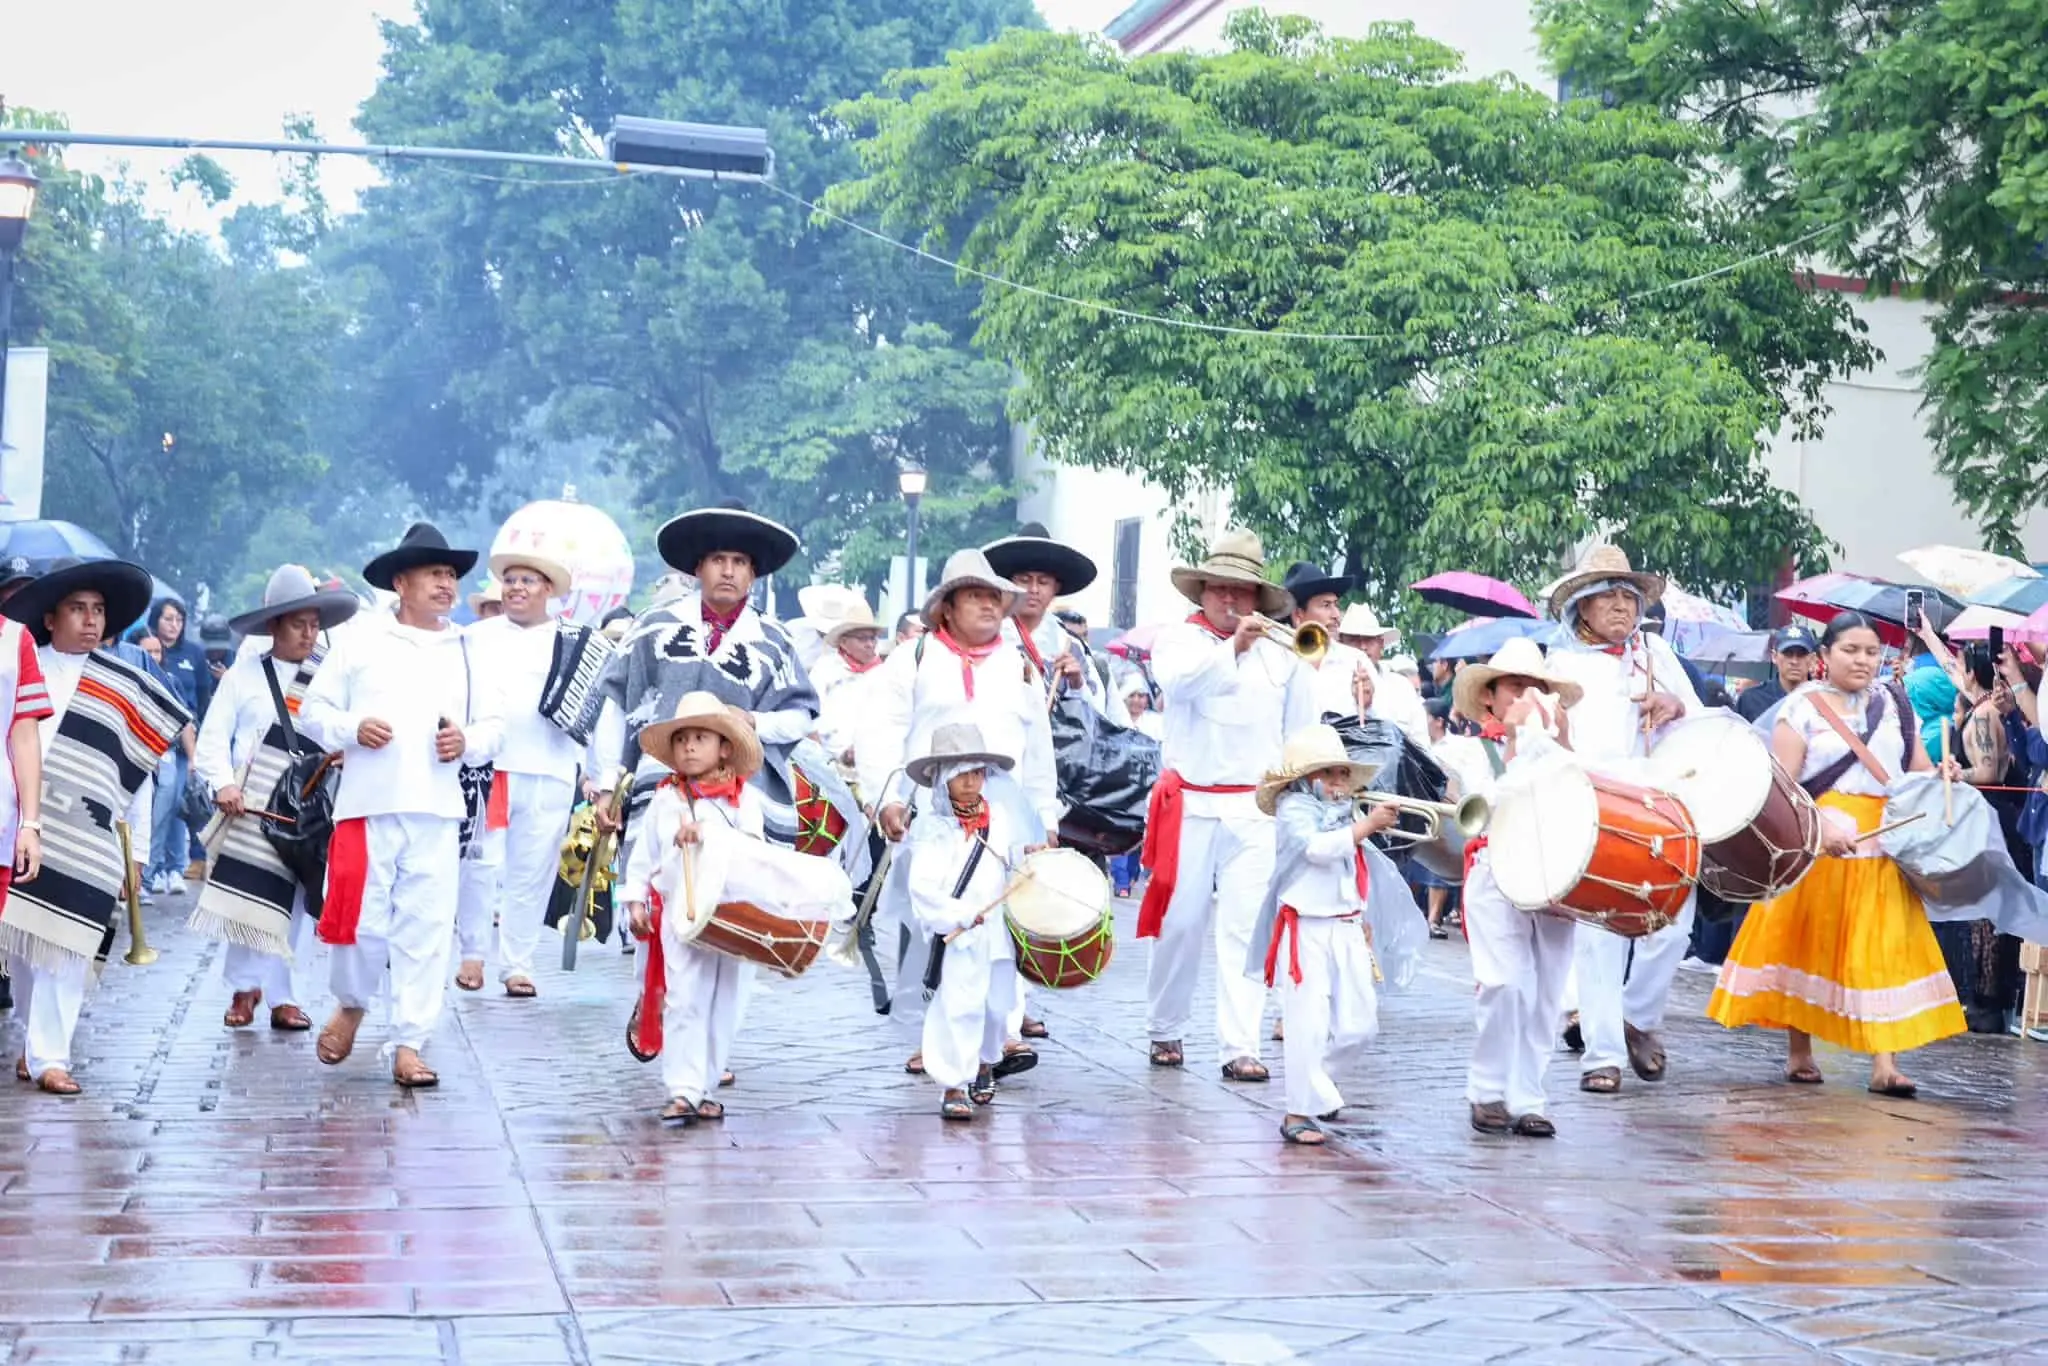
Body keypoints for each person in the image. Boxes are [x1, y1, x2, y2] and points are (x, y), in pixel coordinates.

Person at [1707, 611, 1967, 1093]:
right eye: (1851, 650)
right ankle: (1800, 1052)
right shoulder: (1801, 708)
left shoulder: (1895, 704)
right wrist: (1819, 828)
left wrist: (1942, 774)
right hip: (1817, 843)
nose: (1863, 660)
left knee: (1883, 948)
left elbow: (1916, 769)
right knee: (1807, 942)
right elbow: (1782, 785)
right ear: (1824, 656)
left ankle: (1885, 1063)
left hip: (1884, 842)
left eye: (1871, 651)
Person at [299, 523, 505, 1089]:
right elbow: (311, 711)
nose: (446, 585)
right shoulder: (359, 641)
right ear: (401, 582)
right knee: (358, 923)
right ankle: (353, 1001)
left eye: (451, 575)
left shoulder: (467, 649)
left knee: (425, 929)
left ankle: (410, 1041)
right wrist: (351, 728)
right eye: (434, 573)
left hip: (438, 809)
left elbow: (494, 726)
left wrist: (467, 741)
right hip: (367, 807)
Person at [857, 548, 1058, 1077]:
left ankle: (1003, 1034)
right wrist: (890, 798)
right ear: (946, 608)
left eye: (995, 596)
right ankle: (938, 1035)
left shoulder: (1019, 664)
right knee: (931, 920)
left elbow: (1039, 747)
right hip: (931, 805)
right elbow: (881, 728)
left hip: (1007, 810)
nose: (989, 606)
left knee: (1003, 917)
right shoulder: (913, 658)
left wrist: (1046, 817)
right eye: (976, 596)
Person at [2, 557, 187, 1095]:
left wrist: (141, 855)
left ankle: (51, 1057)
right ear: (51, 617)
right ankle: (34, 1043)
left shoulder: (128, 686)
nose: (90, 620)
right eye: (77, 609)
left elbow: (141, 778)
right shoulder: (20, 665)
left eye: (99, 610)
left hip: (91, 839)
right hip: (24, 827)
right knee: (25, 952)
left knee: (70, 948)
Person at [1140, 529, 1314, 1079]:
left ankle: (1241, 1046)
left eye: (1242, 591)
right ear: (1203, 592)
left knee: (1246, 928)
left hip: (1255, 807)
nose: (1231, 600)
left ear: (1259, 598)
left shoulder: (1285, 656)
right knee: (1181, 921)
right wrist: (1231, 649)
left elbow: (1301, 734)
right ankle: (1165, 1027)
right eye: (1220, 589)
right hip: (1189, 801)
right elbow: (1181, 686)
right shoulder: (1179, 641)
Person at [1544, 545, 1702, 1096]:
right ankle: (1602, 1055)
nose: (1619, 606)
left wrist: (1673, 704)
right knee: (1598, 935)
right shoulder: (1559, 666)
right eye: (1606, 595)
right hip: (1591, 807)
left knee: (1676, 920)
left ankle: (1636, 1015)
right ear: (1581, 608)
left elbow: (1699, 723)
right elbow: (1543, 741)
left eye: (1627, 596)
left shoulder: (1657, 653)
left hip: (1658, 804)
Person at [585, 500, 820, 847]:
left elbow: (801, 717)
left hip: (739, 799)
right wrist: (608, 786)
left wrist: (752, 721)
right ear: (699, 568)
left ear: (752, 573)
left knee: (728, 897)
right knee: (650, 891)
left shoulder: (774, 640)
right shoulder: (653, 626)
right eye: (718, 560)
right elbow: (615, 704)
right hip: (657, 789)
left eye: (739, 562)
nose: (728, 571)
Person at [189, 565, 360, 1032]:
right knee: (249, 896)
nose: (308, 633)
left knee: (300, 905)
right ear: (274, 627)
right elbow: (214, 736)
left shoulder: (330, 675)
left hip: (310, 807)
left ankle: (285, 996)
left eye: (313, 624)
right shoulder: (245, 674)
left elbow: (345, 730)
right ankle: (244, 988)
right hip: (254, 801)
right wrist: (222, 783)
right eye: (298, 624)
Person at [619, 692, 772, 1127]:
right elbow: (643, 858)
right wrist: (634, 902)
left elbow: (755, 853)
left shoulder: (744, 803)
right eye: (682, 738)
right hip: (681, 917)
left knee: (726, 1002)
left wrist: (707, 835)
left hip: (732, 916)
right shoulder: (665, 800)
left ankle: (705, 1086)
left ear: (724, 746)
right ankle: (683, 1089)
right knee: (685, 998)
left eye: (700, 738)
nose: (689, 747)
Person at [1247, 725, 1404, 1145]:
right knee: (1307, 1023)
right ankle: (1298, 1110)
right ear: (1305, 777)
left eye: (1341, 774)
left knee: (1361, 1025)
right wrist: (1367, 824)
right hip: (1306, 926)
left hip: (1348, 924)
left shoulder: (1346, 812)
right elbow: (1317, 850)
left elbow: (1354, 867)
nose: (1338, 783)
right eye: (1328, 773)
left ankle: (1318, 1087)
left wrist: (1364, 915)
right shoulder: (1293, 808)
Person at [1453, 638, 1584, 1137]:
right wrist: (1527, 746)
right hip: (1494, 870)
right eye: (1515, 687)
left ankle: (1530, 1097)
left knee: (1547, 992)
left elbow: (1585, 801)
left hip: (1554, 873)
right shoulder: (1469, 750)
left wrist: (1560, 744)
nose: (1526, 696)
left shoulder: (1560, 750)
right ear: (1490, 696)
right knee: (1504, 983)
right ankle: (1487, 1090)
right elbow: (1483, 802)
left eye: (1535, 688)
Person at [452, 545, 584, 999]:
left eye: (527, 581)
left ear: (548, 589)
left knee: (533, 870)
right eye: (509, 580)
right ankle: (472, 951)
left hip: (552, 768)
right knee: (481, 862)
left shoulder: (575, 640)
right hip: (494, 767)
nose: (516, 588)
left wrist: (602, 780)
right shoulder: (477, 637)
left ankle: (517, 964)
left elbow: (599, 711)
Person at [902, 722, 1044, 1121]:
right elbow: (923, 888)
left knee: (998, 1006)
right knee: (960, 1004)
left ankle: (986, 1060)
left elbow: (1009, 861)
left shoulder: (997, 817)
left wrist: (1027, 854)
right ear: (943, 780)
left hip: (998, 930)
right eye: (961, 773)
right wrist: (958, 914)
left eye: (977, 772)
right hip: (962, 934)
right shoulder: (932, 829)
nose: (970, 781)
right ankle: (954, 1082)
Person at [141, 598, 208, 897]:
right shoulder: (145, 651)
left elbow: (203, 700)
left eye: (179, 619)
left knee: (180, 807)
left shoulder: (193, 654)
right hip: (155, 745)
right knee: (158, 811)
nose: (174, 625)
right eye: (168, 619)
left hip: (185, 742)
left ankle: (175, 869)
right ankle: (151, 871)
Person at [1280, 562, 1371, 721]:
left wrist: (1367, 703)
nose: (1336, 614)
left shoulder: (1356, 661)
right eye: (1326, 605)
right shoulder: (1274, 660)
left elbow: (1381, 724)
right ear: (1298, 615)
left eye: (1336, 605)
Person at [1335, 603, 1429, 745]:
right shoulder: (1331, 684)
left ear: (1381, 643)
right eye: (1354, 640)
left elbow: (1420, 741)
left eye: (1369, 639)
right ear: (1341, 643)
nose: (1362, 647)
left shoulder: (1402, 686)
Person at [1734, 624, 1819, 723]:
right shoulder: (1751, 699)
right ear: (1774, 657)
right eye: (1788, 654)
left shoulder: (1825, 700)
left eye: (1801, 654)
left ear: (1813, 659)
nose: (1794, 661)